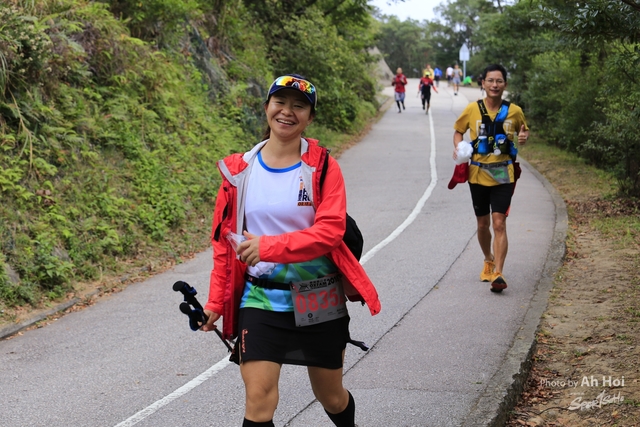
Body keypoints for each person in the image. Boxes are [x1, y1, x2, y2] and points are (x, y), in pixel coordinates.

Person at [202, 74, 381, 427]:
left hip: (318, 296)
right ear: (266, 107)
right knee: (258, 399)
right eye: (280, 102)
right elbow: (224, 245)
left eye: (299, 106)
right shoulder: (239, 172)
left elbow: (330, 232)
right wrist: (214, 303)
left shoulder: (322, 167)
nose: (287, 111)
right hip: (261, 299)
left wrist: (268, 247)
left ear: (309, 117)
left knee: (331, 395)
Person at [451, 64, 530, 293]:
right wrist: (459, 147)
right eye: (490, 80)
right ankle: (488, 259)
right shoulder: (472, 109)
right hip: (477, 175)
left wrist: (523, 136)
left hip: (504, 174)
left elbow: (524, 129)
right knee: (483, 224)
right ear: (483, 83)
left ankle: (498, 273)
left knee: (499, 223)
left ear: (505, 84)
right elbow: (458, 131)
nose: (495, 85)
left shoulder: (514, 111)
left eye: (499, 81)